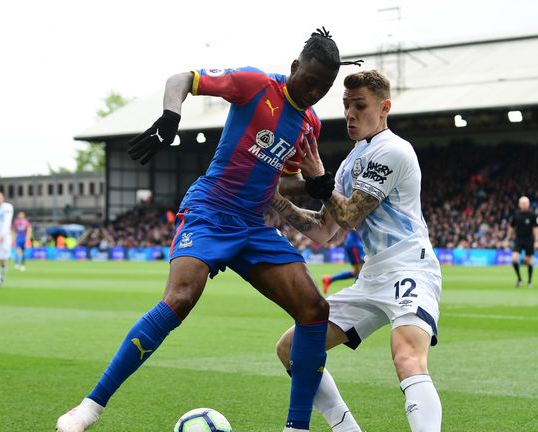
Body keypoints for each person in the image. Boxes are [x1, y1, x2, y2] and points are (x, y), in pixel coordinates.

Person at [57, 28, 363, 432]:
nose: (314, 93)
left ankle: (297, 427)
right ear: (294, 68)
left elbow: (280, 181)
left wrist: (316, 182)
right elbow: (181, 79)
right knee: (180, 298)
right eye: (309, 81)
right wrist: (170, 116)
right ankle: (88, 409)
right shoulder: (255, 85)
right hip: (210, 211)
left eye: (323, 88)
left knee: (314, 310)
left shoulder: (309, 126)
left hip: (253, 225)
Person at [271, 70, 443, 432]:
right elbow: (322, 230)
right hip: (373, 275)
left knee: (407, 356)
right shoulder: (350, 163)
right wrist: (279, 201)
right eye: (346, 105)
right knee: (292, 350)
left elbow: (348, 215)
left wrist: (317, 182)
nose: (350, 113)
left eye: (360, 105)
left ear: (384, 108)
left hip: (410, 268)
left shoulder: (393, 150)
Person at [507, 196, 538, 288]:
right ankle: (519, 279)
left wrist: (537, 240)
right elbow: (511, 227)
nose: (524, 204)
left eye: (525, 203)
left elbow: (537, 228)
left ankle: (529, 281)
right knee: (514, 259)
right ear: (519, 204)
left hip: (529, 239)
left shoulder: (532, 214)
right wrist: (507, 239)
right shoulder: (516, 214)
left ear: (529, 204)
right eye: (522, 203)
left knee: (529, 261)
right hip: (518, 239)